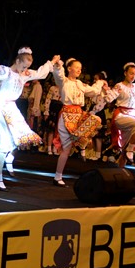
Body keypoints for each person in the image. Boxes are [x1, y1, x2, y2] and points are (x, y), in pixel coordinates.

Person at [0, 47, 61, 190]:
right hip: (2, 109)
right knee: (3, 146)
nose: (25, 69)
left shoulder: (23, 74)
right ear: (17, 61)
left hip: (12, 108)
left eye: (27, 67)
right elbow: (0, 71)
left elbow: (40, 73)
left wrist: (52, 61)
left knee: (21, 137)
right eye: (24, 65)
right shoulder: (7, 71)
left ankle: (9, 158)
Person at [50, 57, 109, 187]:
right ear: (69, 68)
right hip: (66, 115)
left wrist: (100, 82)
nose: (79, 70)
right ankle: (58, 176)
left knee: (97, 119)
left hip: (78, 114)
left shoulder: (80, 84)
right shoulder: (64, 81)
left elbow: (93, 91)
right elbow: (58, 75)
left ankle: (82, 143)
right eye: (76, 67)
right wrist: (58, 65)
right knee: (66, 149)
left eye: (80, 68)